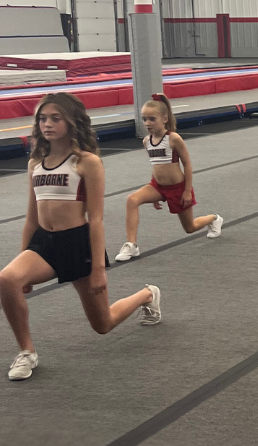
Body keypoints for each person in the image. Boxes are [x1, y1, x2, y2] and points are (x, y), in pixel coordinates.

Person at [1, 93, 161, 382]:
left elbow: (96, 219)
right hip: (44, 244)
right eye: (42, 118)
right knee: (7, 279)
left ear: (72, 122)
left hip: (77, 244)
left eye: (55, 118)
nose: (47, 124)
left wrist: (98, 269)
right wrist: (22, 255)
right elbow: (31, 218)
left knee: (103, 324)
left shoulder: (87, 162)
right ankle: (27, 351)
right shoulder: (36, 162)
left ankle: (147, 294)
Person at [116, 93, 222, 260]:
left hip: (177, 188)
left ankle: (214, 218)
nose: (147, 123)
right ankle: (131, 245)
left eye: (152, 119)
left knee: (190, 227)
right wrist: (155, 194)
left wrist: (187, 191)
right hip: (157, 187)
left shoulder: (173, 139)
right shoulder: (146, 141)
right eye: (144, 119)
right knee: (132, 200)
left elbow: (187, 164)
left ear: (164, 119)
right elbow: (156, 165)